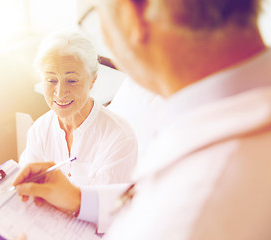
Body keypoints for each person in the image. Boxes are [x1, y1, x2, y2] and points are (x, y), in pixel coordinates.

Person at [14, 0, 271, 239]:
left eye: (96, 14)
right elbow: (159, 197)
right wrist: (80, 198)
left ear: (130, 16)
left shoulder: (194, 212)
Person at [19, 29, 138, 186]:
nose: (60, 93)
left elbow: (110, 206)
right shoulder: (39, 130)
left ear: (92, 80)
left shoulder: (119, 137)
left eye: (72, 80)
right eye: (51, 80)